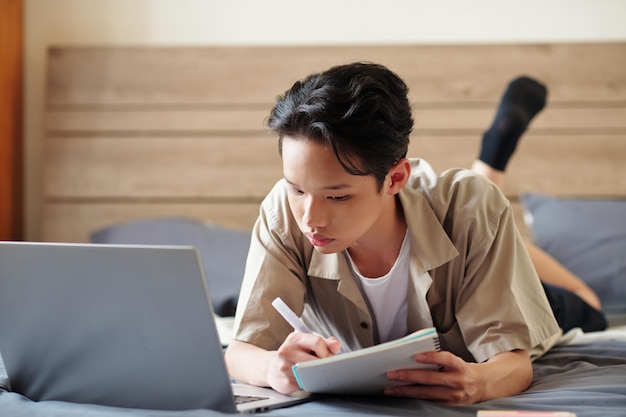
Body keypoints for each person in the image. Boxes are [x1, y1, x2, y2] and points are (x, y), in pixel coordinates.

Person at [225, 62, 563, 405]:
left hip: (534, 292)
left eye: (338, 196)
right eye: (297, 190)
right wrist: (271, 367)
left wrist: (479, 381)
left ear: (396, 178)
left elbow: (516, 364)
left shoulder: (471, 210)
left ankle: (491, 163)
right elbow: (240, 351)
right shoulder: (282, 213)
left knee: (587, 299)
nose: (311, 219)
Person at [469, 76, 607, 333]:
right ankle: (485, 183)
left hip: (479, 289)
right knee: (590, 303)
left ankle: (487, 177)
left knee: (482, 234)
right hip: (508, 301)